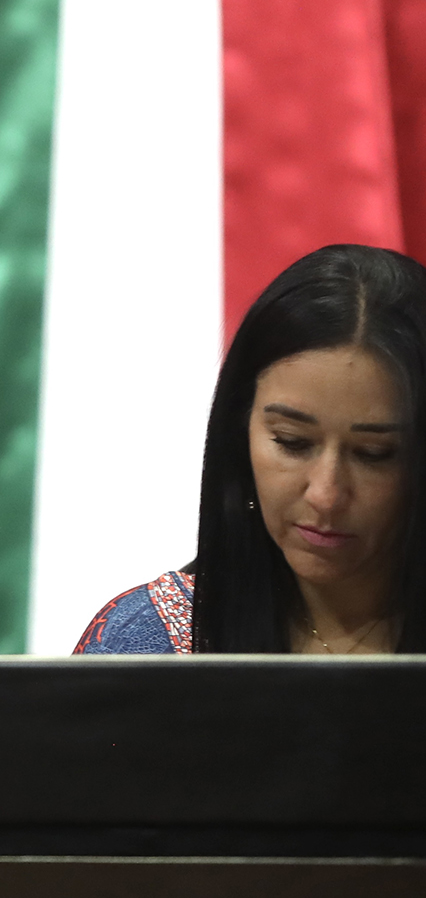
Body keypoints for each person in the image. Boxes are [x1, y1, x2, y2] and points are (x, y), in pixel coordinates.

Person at [76, 244, 426, 655]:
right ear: (240, 429)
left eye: (373, 453)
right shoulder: (147, 644)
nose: (326, 495)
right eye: (292, 442)